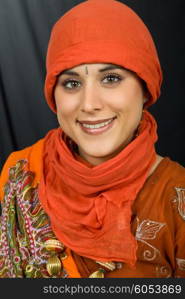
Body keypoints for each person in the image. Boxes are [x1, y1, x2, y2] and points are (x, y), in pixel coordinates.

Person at [0, 0, 185, 278]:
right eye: (72, 83)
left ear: (145, 88)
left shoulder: (176, 197)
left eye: (111, 78)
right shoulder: (21, 172)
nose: (89, 104)